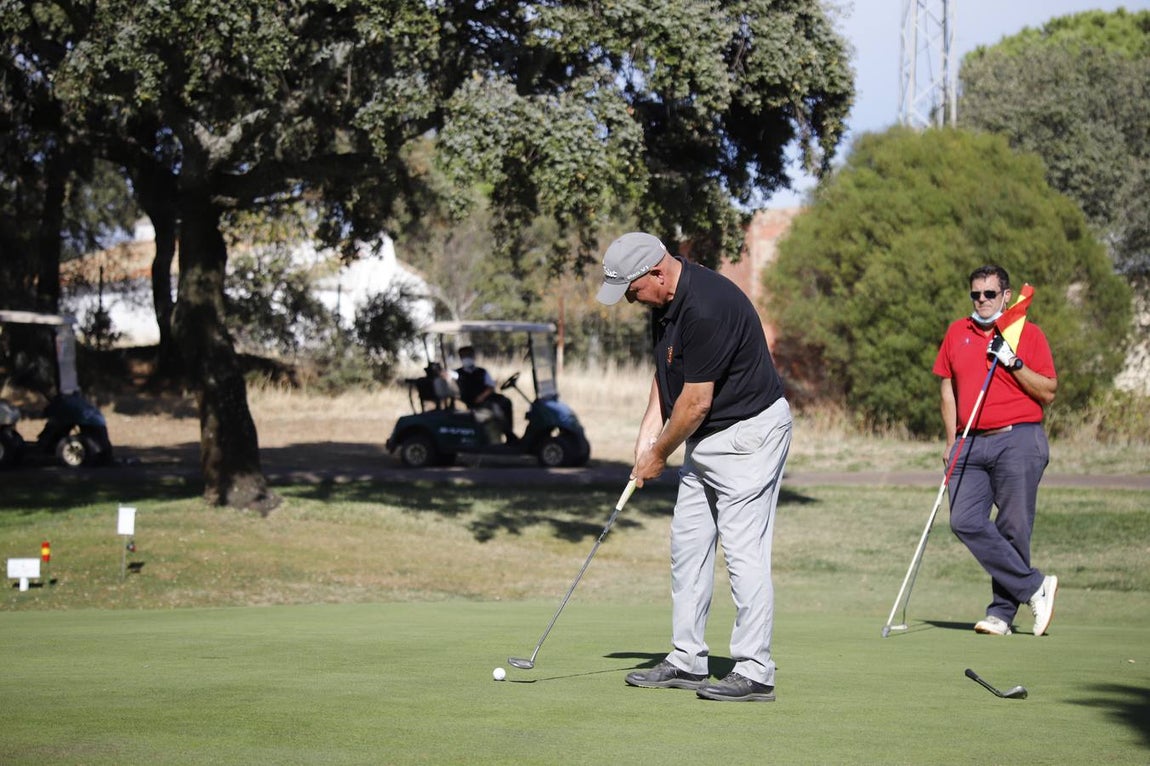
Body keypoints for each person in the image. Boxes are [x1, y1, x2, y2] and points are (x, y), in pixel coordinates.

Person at [596, 231, 792, 702]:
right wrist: (644, 442)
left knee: (743, 553)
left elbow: (695, 402)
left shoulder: (706, 306)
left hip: (749, 436)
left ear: (657, 273)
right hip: (705, 440)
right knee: (688, 547)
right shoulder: (662, 303)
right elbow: (666, 380)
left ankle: (755, 668)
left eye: (631, 289)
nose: (629, 299)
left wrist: (659, 455)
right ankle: (687, 659)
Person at [933, 265, 1059, 637]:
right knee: (964, 520)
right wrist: (950, 439)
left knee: (1012, 527)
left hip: (1018, 437)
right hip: (970, 440)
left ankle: (1002, 613)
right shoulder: (958, 332)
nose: (982, 301)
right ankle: (1035, 586)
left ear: (1006, 296)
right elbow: (946, 389)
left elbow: (1048, 391)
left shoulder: (1027, 334)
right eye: (976, 294)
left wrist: (1012, 361)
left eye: (990, 294)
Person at [454, 346, 517, 443]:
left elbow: (491, 387)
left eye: (469, 355)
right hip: (472, 402)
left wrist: (482, 396)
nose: (466, 358)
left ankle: (509, 433)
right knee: (496, 409)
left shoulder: (482, 371)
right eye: (464, 356)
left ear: (473, 356)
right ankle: (508, 434)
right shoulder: (457, 373)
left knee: (506, 401)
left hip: (486, 398)